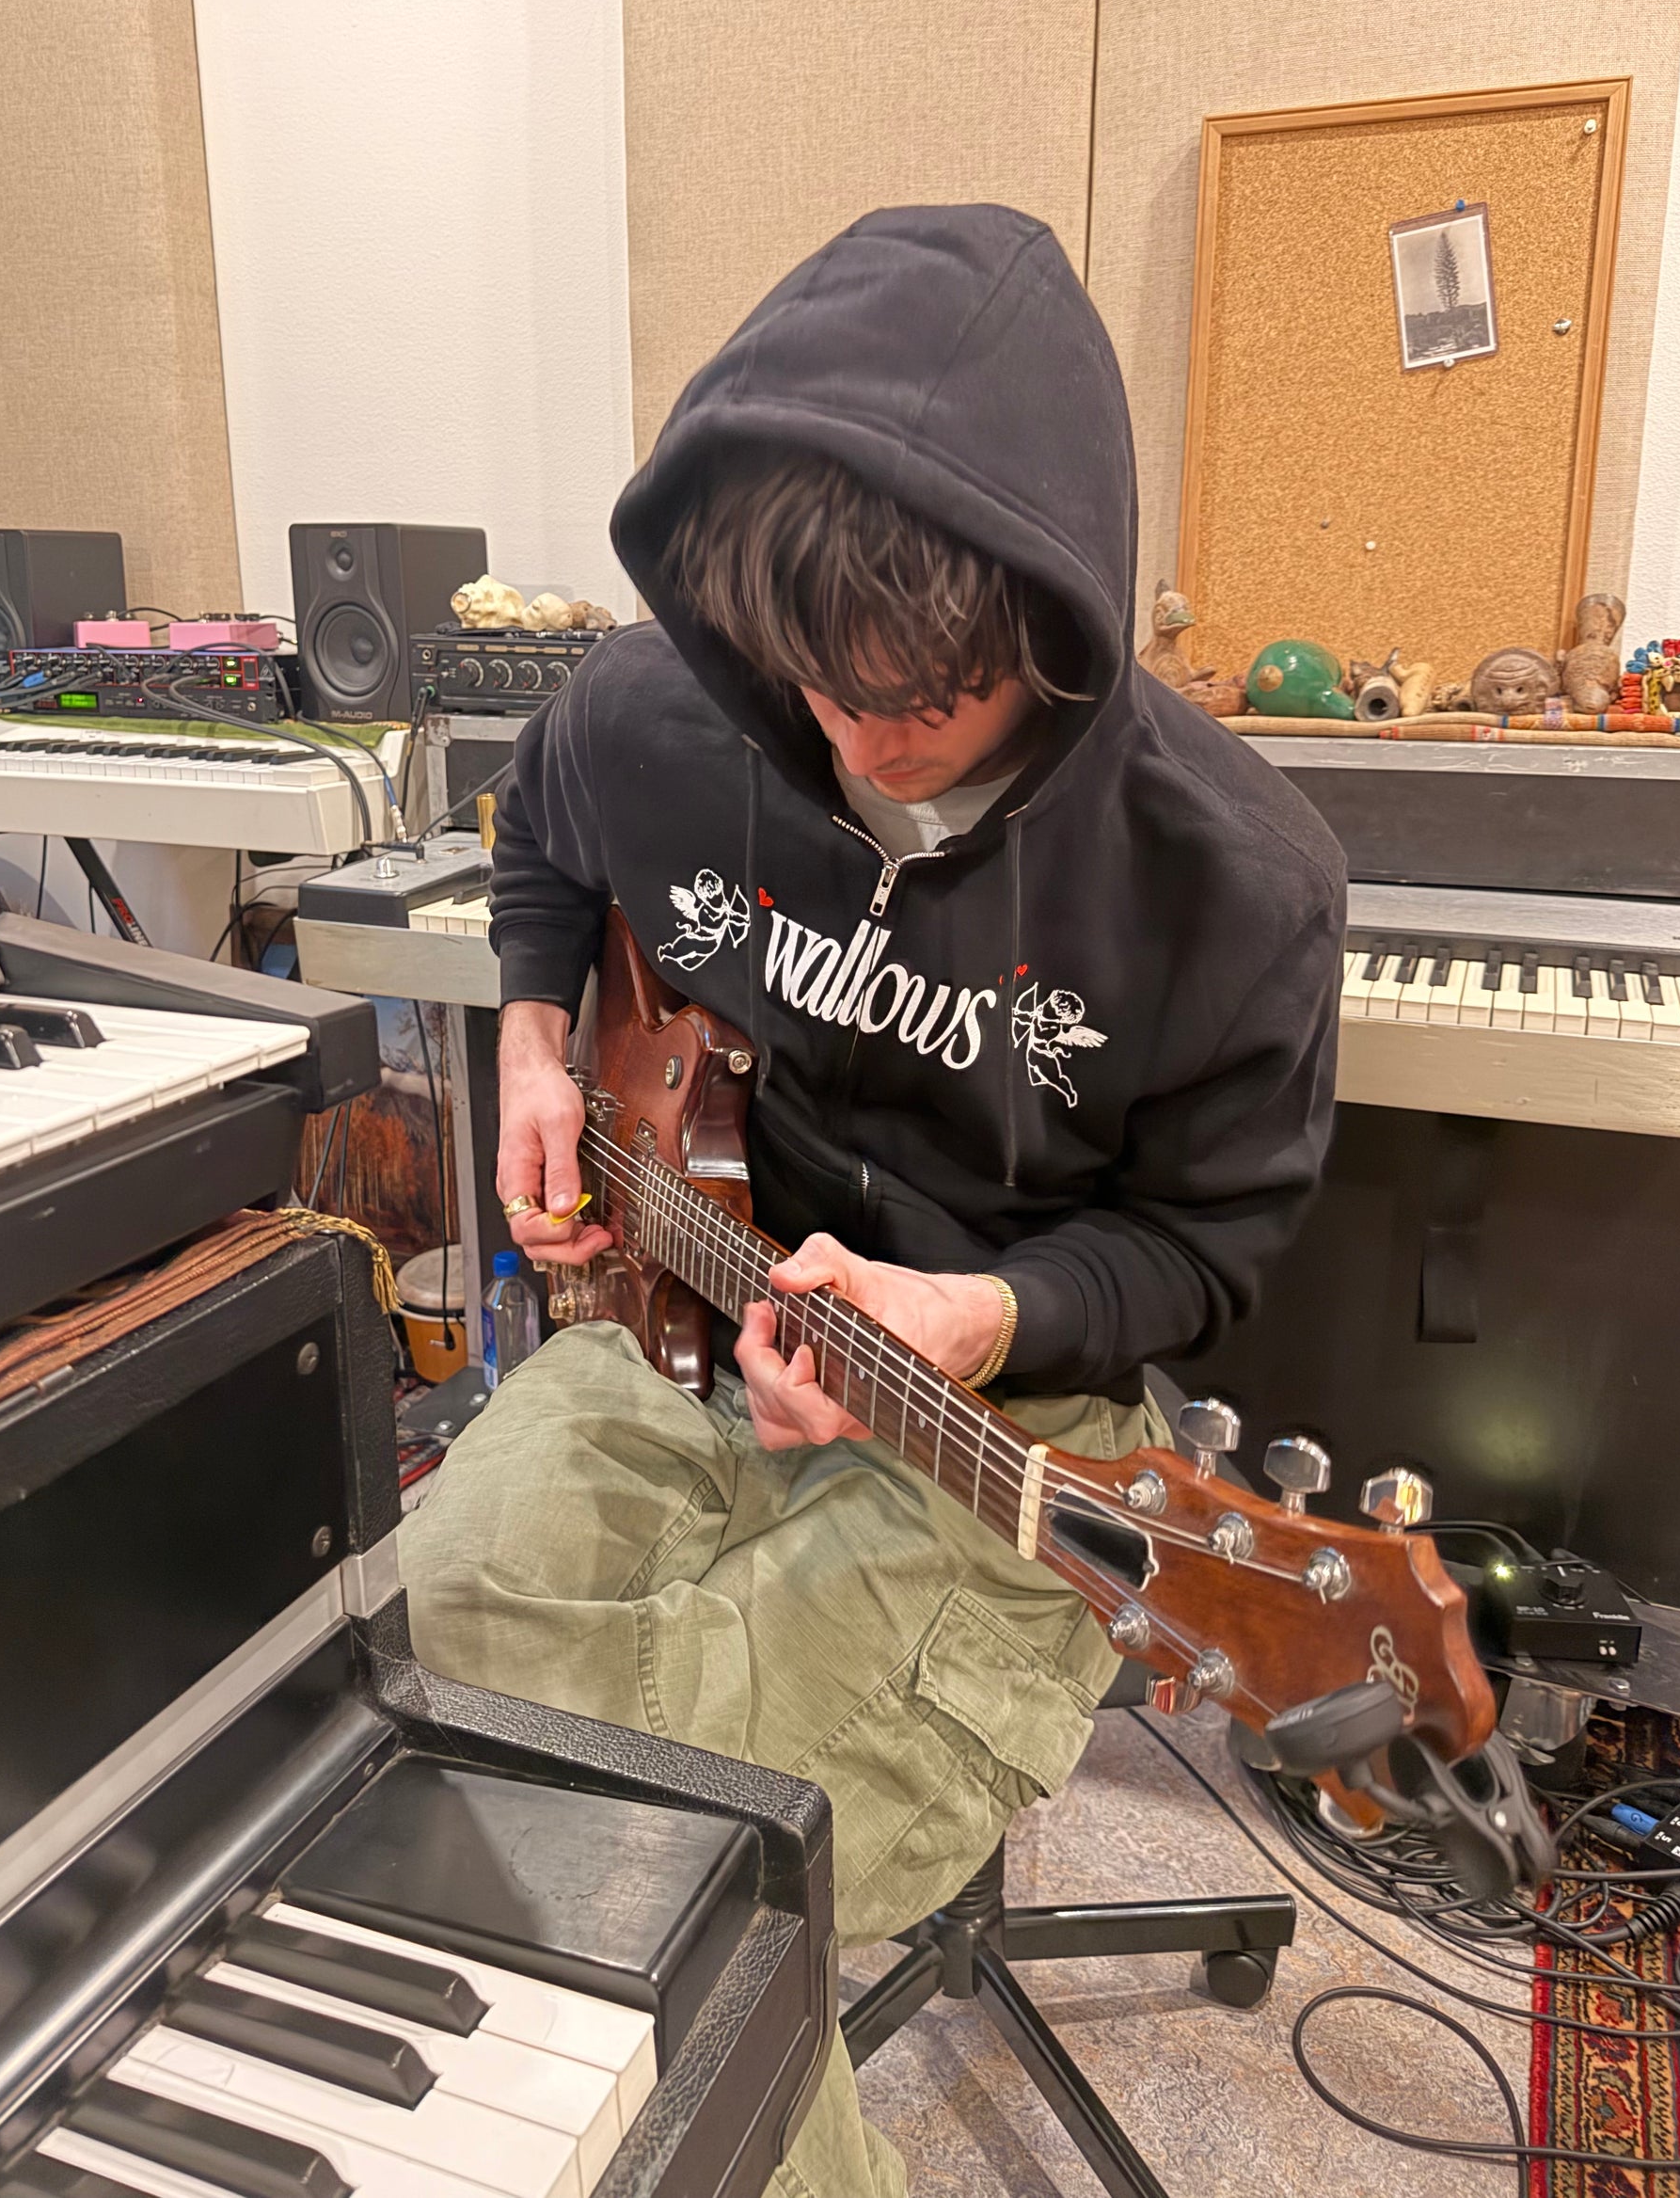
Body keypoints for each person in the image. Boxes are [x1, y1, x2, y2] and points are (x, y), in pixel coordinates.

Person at [402, 204, 1345, 2197]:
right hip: (686, 1322)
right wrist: (538, 1044)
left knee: (689, 1861)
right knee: (418, 1676)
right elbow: (543, 829)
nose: (855, 742)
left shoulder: (1236, 881)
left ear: (1054, 632)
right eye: (810, 690)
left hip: (1001, 1422)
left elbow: (1206, 1248)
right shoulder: (666, 708)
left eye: (919, 700)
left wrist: (981, 1315)